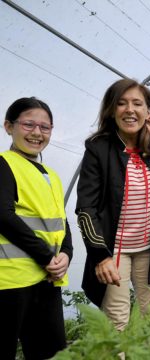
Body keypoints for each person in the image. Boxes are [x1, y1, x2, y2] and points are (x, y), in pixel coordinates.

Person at [76, 79, 150, 331]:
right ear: (111, 110)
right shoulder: (98, 148)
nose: (130, 109)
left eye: (137, 104)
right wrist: (100, 256)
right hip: (114, 251)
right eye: (121, 103)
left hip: (149, 250)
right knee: (117, 322)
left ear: (148, 111)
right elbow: (86, 207)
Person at [0, 97, 73, 359]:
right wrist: (46, 257)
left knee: (51, 352)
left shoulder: (50, 174)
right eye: (29, 124)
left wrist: (66, 253)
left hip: (46, 279)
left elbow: (60, 221)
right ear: (9, 126)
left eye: (45, 127)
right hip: (10, 280)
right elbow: (3, 216)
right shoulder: (4, 164)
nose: (37, 133)